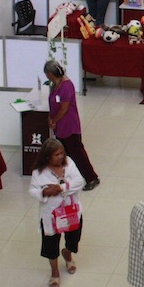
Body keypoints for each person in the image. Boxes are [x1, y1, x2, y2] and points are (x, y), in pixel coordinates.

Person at [29, 137, 84, 287]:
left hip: (71, 212)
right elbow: (33, 191)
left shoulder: (69, 163)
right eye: (57, 154)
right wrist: (45, 191)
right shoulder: (38, 173)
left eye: (62, 153)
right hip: (51, 216)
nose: (61, 157)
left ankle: (67, 253)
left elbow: (79, 182)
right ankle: (54, 272)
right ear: (47, 156)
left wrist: (61, 188)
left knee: (74, 240)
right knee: (50, 245)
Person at [43, 59, 100, 190]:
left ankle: (91, 177)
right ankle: (67, 177)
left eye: (47, 73)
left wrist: (54, 120)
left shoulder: (66, 86)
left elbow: (64, 108)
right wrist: (50, 118)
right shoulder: (55, 85)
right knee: (63, 154)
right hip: (60, 126)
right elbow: (53, 104)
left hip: (69, 125)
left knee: (77, 153)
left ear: (51, 73)